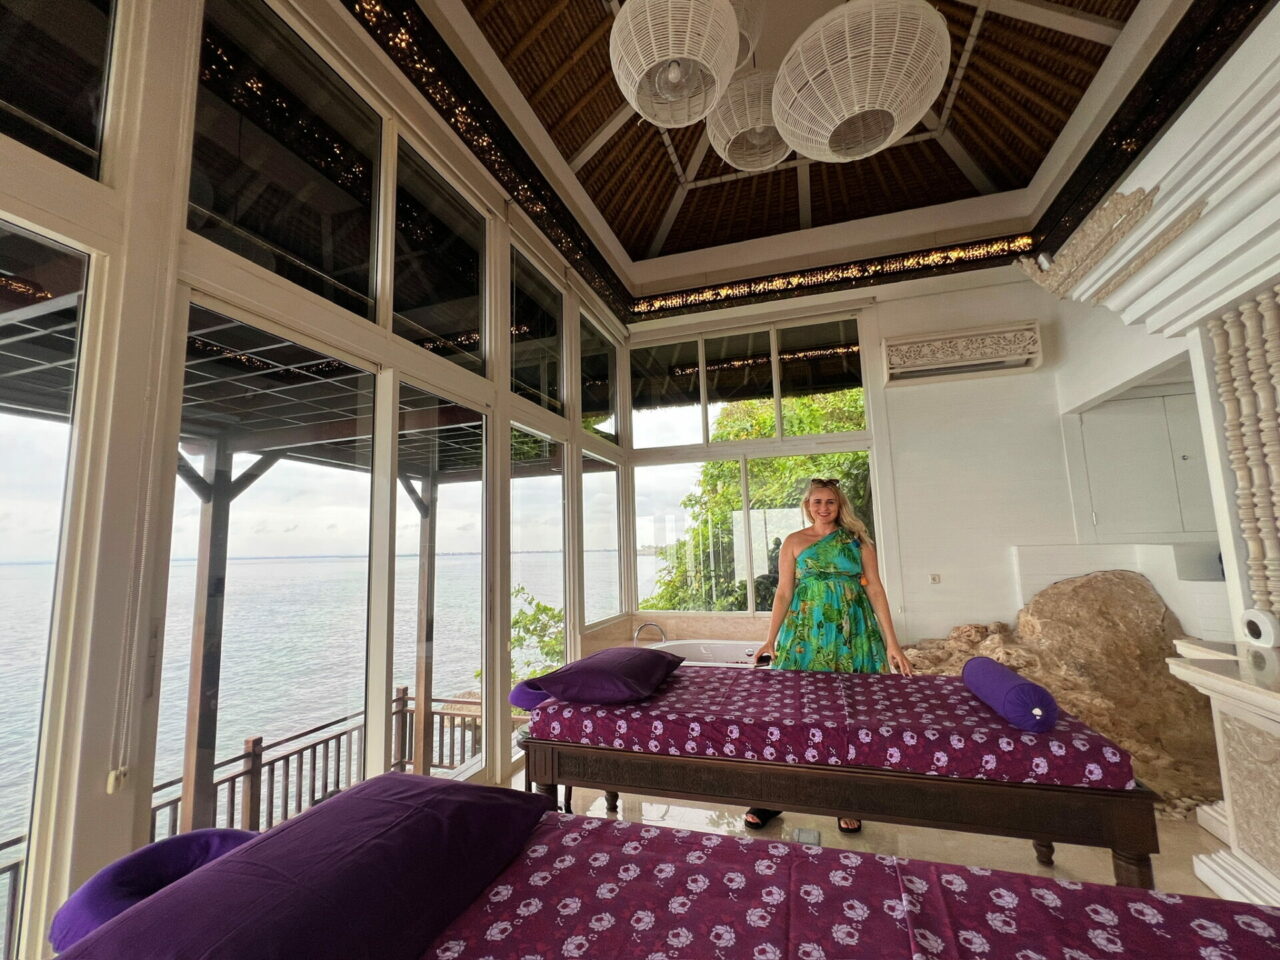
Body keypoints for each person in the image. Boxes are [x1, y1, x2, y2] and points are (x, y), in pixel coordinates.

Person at [745, 477, 912, 834]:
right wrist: (769, 639)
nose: (823, 508)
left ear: (840, 507)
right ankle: (773, 798)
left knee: (850, 716)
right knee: (793, 713)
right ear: (808, 505)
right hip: (804, 636)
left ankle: (844, 799)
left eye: (830, 503)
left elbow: (877, 592)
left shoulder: (858, 542)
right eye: (817, 502)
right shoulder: (793, 542)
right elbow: (783, 593)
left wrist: (892, 643)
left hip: (853, 636)